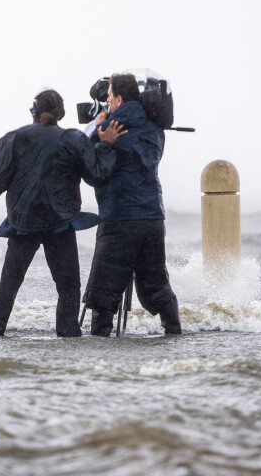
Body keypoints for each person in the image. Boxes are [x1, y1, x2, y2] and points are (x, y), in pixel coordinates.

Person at [0, 89, 126, 337]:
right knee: (68, 287)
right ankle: (68, 333)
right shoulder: (73, 139)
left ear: (34, 112)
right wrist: (106, 145)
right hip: (59, 223)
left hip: (22, 223)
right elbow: (98, 174)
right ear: (61, 113)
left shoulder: (15, 138)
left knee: (9, 285)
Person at [84, 73, 182, 335]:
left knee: (103, 291)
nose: (106, 101)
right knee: (156, 282)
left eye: (108, 97)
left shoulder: (109, 128)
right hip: (152, 217)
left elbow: (93, 169)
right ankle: (174, 331)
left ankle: (100, 339)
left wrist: (98, 135)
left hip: (119, 218)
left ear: (118, 98)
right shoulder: (154, 126)